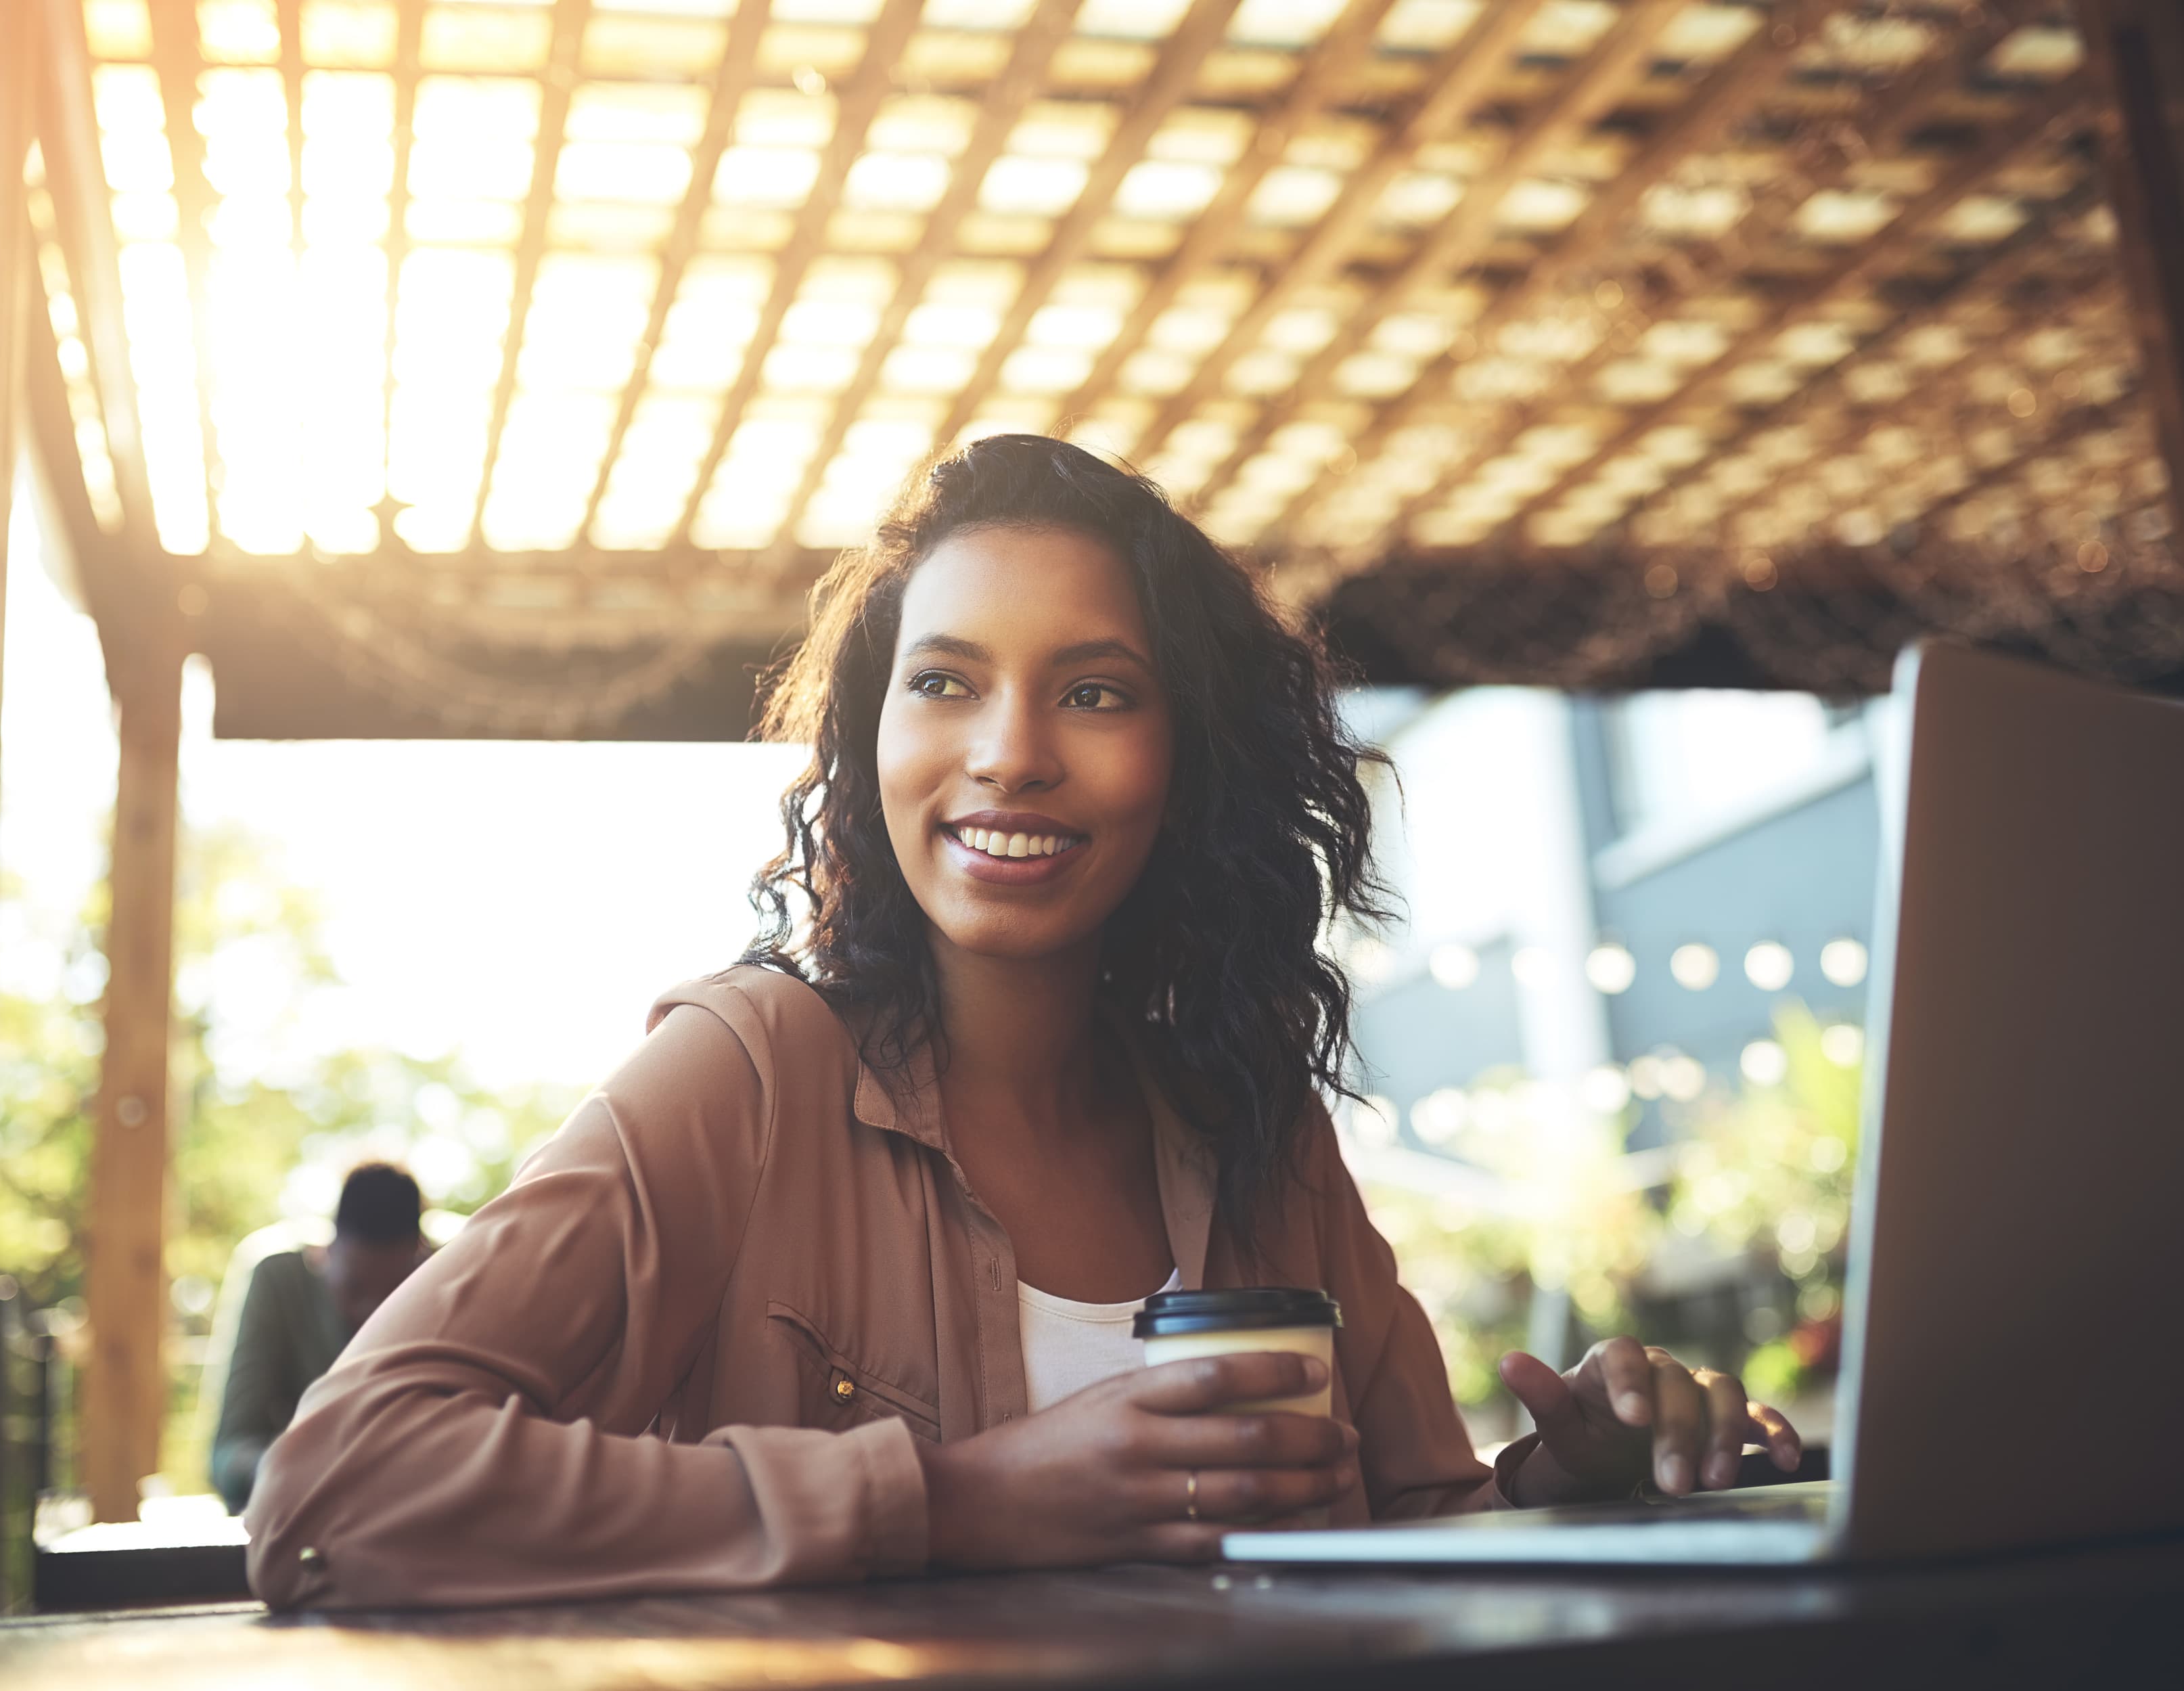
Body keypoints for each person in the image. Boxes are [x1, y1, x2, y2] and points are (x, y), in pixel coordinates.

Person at [244, 436, 1800, 1607]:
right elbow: (334, 1487)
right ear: (872, 741)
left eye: (1097, 692)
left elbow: (1405, 1537)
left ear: (1187, 760)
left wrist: (1567, 1482)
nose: (1010, 753)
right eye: (945, 682)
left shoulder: (1256, 1125)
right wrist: (957, 1499)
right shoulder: (744, 1076)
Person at [208, 1162, 430, 1514]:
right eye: (355, 1288)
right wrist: (291, 1468)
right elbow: (228, 1452)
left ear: (422, 1261)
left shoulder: (448, 1280)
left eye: (392, 1293)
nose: (371, 1311)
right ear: (325, 1252)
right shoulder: (278, 1279)